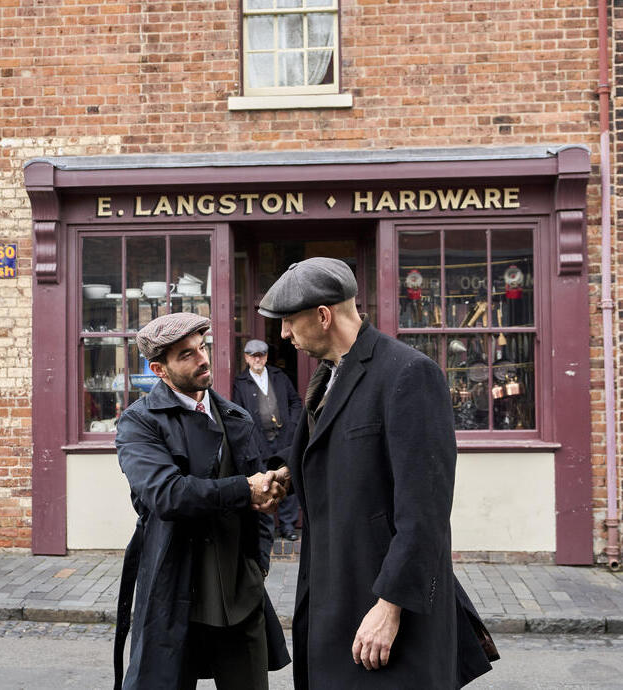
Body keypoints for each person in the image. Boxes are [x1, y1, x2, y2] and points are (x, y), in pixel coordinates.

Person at [258, 258, 498, 689]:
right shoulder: (329, 376)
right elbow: (346, 457)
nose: (283, 334)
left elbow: (425, 510)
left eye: (289, 321)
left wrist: (390, 605)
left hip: (386, 606)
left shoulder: (408, 373)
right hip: (334, 593)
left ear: (323, 315)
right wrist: (288, 476)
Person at [113, 312, 290, 690]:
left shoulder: (236, 417)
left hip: (238, 590)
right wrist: (244, 487)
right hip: (173, 586)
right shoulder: (139, 423)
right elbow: (167, 494)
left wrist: (257, 566)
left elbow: (260, 508)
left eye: (202, 346)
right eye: (186, 354)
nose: (202, 358)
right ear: (159, 370)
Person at [233, 339, 303, 541]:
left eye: (261, 355)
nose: (258, 359)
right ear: (246, 358)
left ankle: (288, 526)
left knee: (286, 480)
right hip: (258, 442)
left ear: (266, 357)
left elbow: (295, 402)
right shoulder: (241, 383)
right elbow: (238, 414)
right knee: (264, 484)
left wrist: (292, 426)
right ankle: (268, 528)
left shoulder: (279, 376)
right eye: (253, 356)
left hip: (283, 438)